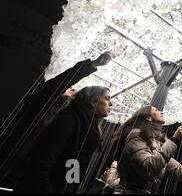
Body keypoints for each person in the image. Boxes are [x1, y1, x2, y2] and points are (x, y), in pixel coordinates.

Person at [0, 52, 113, 188]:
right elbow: (42, 163)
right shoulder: (59, 114)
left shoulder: (84, 127)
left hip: (30, 177)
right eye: (69, 87)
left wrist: (70, 187)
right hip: (16, 167)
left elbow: (74, 163)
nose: (73, 90)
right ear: (91, 101)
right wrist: (93, 64)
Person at [17, 86, 112, 194]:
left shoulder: (87, 129)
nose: (111, 104)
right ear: (92, 101)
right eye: (107, 98)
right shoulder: (69, 120)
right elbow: (41, 164)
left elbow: (74, 167)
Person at [115, 105, 182, 194]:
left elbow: (181, 172)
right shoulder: (136, 135)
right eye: (156, 110)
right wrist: (174, 139)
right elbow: (149, 168)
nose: (161, 112)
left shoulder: (158, 144)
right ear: (148, 118)